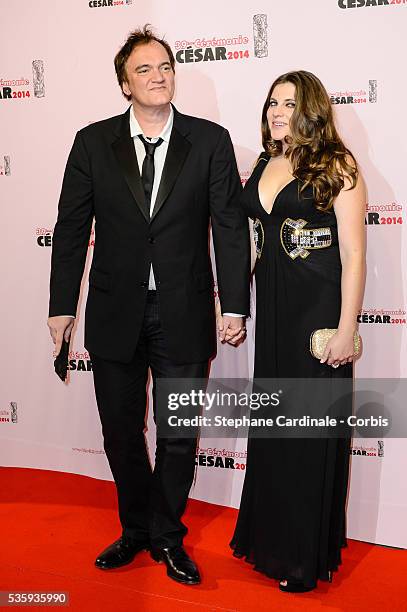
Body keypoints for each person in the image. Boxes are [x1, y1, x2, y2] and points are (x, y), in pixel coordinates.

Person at [47, 25, 250, 586]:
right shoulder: (92, 143)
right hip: (115, 312)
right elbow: (70, 231)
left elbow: (230, 229)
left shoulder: (209, 140)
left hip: (183, 311)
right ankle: (135, 528)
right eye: (145, 69)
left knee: (178, 430)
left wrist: (235, 304)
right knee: (119, 429)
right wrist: (61, 306)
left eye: (165, 66)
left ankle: (167, 534)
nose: (159, 76)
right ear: (123, 83)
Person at [230, 70, 366, 592]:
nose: (277, 111)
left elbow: (354, 255)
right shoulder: (266, 161)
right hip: (274, 321)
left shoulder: (338, 165)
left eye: (289, 102)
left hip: (317, 320)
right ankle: (271, 544)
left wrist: (345, 328)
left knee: (308, 436)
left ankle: (302, 558)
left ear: (312, 108)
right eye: (271, 102)